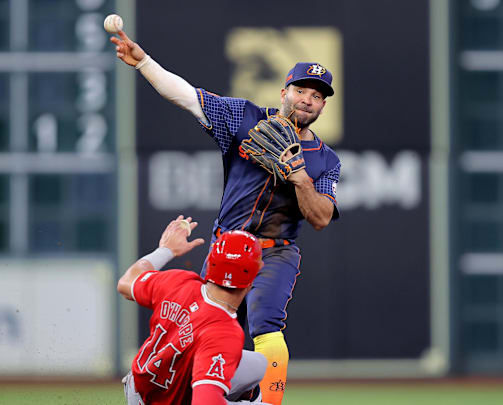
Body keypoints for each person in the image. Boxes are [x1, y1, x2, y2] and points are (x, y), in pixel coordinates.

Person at [111, 31, 340, 404]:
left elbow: (321, 217)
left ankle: (267, 402)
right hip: (226, 245)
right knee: (206, 328)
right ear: (284, 91)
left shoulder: (326, 159)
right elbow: (187, 96)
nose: (308, 100)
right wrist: (144, 63)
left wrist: (300, 178)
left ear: (322, 107)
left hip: (274, 252)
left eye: (317, 96)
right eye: (302, 90)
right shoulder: (245, 117)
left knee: (266, 326)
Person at [118, 215, 271, 405]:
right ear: (254, 276)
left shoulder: (178, 282)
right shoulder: (224, 332)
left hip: (140, 384)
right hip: (166, 401)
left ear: (211, 263)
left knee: (258, 365)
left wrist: (165, 250)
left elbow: (126, 283)